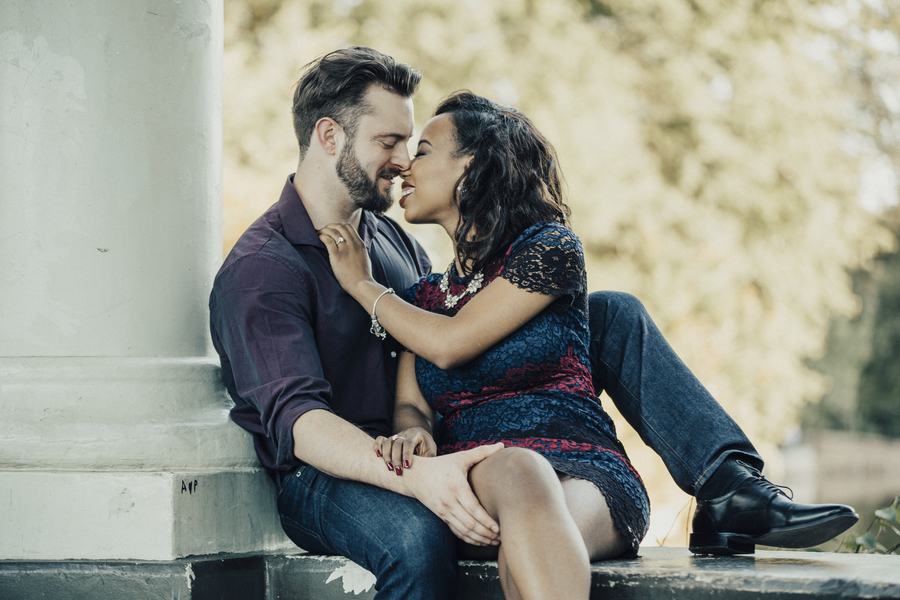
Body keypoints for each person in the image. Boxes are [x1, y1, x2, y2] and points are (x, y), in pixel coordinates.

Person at [209, 47, 857, 600]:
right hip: (340, 470)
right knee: (420, 535)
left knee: (612, 312)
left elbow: (441, 336)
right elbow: (302, 424)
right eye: (390, 141)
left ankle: (728, 482)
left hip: (477, 453)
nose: (404, 160)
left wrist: (371, 302)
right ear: (329, 136)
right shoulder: (262, 269)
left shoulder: (391, 245)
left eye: (414, 144)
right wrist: (417, 454)